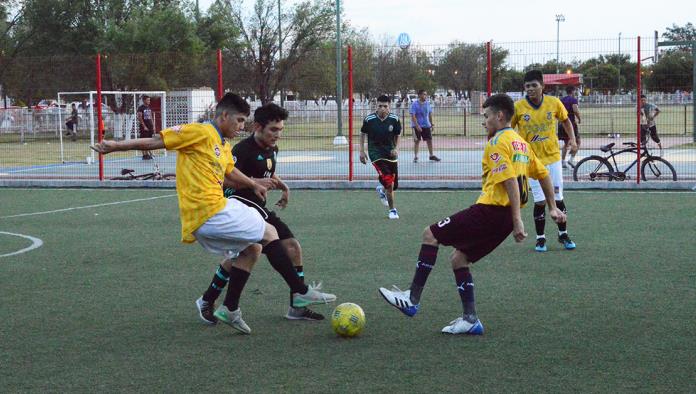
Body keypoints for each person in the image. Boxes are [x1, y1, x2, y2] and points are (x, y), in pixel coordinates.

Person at [91, 93, 336, 335]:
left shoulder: (223, 145)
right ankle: (300, 291)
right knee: (269, 231)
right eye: (239, 120)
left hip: (216, 210)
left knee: (252, 249)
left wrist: (254, 184)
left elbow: (230, 174)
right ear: (224, 116)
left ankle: (229, 308)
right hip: (209, 211)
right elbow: (156, 141)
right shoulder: (200, 132)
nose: (242, 127)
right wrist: (115, 146)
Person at [378, 94, 566, 334]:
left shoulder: (497, 143)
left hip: (491, 211)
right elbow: (543, 174)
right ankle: (470, 319)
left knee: (430, 234)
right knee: (459, 259)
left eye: (486, 116)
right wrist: (551, 206)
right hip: (504, 220)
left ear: (499, 116)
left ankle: (412, 298)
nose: (484, 121)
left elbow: (509, 180)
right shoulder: (521, 143)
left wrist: (519, 220)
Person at [220, 103, 325, 321]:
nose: (277, 135)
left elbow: (268, 175)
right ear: (258, 126)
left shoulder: (271, 149)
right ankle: (300, 292)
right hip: (241, 206)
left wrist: (283, 187)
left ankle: (297, 306)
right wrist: (253, 183)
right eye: (273, 130)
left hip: (259, 207)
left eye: (280, 130)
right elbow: (224, 183)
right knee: (256, 250)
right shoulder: (242, 151)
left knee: (287, 248)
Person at [511, 70, 577, 252]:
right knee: (539, 201)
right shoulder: (518, 107)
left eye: (534, 85)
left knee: (558, 198)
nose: (530, 89)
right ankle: (541, 238)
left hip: (553, 158)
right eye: (527, 86)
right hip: (531, 162)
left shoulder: (554, 103)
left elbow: (566, 121)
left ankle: (563, 233)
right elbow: (508, 129)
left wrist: (572, 139)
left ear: (542, 86)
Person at [360, 95, 402, 219]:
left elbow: (398, 135)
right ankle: (392, 210)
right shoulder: (369, 119)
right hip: (375, 153)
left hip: (390, 153)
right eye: (380, 106)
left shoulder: (394, 119)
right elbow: (362, 134)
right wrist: (361, 151)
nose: (382, 109)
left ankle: (381, 189)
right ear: (376, 106)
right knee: (389, 182)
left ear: (389, 106)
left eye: (385, 106)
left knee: (394, 186)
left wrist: (396, 149)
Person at [410, 89, 440, 163]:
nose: (425, 96)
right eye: (423, 94)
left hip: (426, 125)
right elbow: (413, 116)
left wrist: (431, 124)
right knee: (417, 140)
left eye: (426, 94)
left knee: (429, 140)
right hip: (416, 125)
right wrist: (417, 126)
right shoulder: (414, 104)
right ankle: (416, 156)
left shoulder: (427, 103)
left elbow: (429, 114)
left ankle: (431, 155)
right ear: (419, 95)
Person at [558, 86, 582, 168]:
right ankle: (571, 159)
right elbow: (575, 110)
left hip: (562, 123)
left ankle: (563, 161)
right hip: (570, 123)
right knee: (577, 141)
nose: (575, 92)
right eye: (575, 91)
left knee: (566, 143)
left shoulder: (562, 100)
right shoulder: (573, 100)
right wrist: (579, 118)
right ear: (572, 91)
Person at [137, 95, 155, 160]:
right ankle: (144, 155)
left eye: (149, 100)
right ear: (144, 100)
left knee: (149, 140)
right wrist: (144, 126)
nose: (149, 101)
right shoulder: (140, 108)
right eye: (148, 100)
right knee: (143, 141)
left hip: (150, 126)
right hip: (144, 127)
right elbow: (140, 117)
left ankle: (148, 154)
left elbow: (151, 117)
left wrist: (153, 126)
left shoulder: (149, 108)